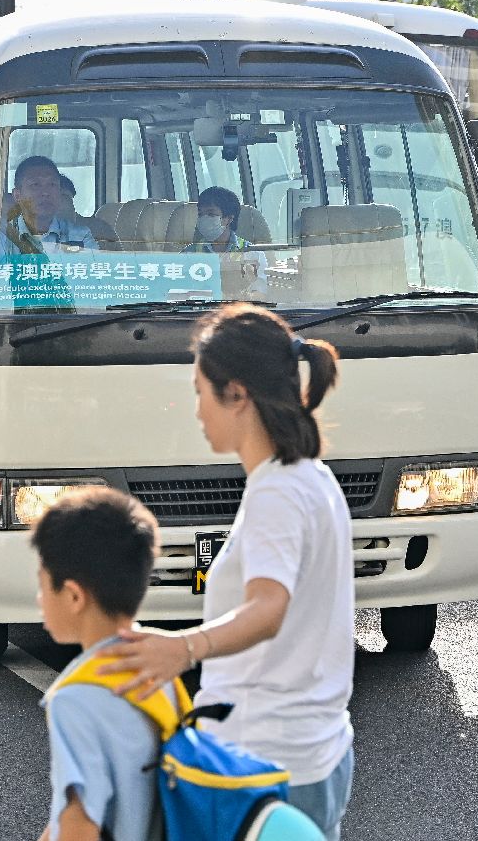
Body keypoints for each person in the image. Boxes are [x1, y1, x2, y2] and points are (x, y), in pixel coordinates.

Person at [100, 305, 354, 840]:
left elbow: (269, 608)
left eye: (200, 392)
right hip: (315, 752)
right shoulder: (312, 478)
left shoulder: (277, 493)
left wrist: (182, 648)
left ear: (236, 394)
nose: (196, 411)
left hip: (265, 766)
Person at [34, 488, 170, 841]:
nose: (39, 599)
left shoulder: (74, 700)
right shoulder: (158, 668)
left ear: (74, 596)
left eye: (43, 586)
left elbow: (79, 824)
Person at [0, 156, 102, 255]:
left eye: (52, 184)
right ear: (17, 195)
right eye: (35, 184)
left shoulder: (81, 237)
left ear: (59, 193)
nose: (45, 192)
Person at [183, 186, 268, 297]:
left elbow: (261, 294)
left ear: (229, 218)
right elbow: (179, 292)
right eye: (200, 214)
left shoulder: (252, 253)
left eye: (211, 214)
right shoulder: (188, 254)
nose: (204, 219)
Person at [57, 174, 118, 245]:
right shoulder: (45, 233)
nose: (56, 201)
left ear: (71, 198)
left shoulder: (99, 229)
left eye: (63, 196)